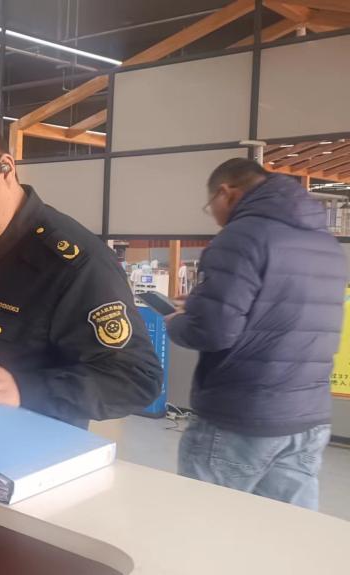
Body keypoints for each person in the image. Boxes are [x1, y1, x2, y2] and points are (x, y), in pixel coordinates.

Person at [0, 114, 161, 428]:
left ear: (5, 168)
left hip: (31, 444)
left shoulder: (72, 263)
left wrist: (24, 389)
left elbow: (136, 378)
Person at [167, 158, 346, 510]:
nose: (214, 216)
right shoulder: (326, 243)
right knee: (284, 529)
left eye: (210, 206)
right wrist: (205, 302)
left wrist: (176, 322)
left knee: (204, 523)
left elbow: (212, 332)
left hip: (242, 415)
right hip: (309, 417)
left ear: (226, 193)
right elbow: (283, 310)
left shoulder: (241, 236)